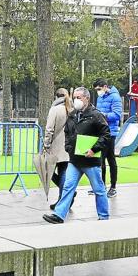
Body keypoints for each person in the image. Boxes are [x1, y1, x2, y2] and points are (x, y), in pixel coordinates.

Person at [43, 87, 110, 224]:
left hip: (90, 161)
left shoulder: (96, 115)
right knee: (68, 186)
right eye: (74, 97)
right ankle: (59, 214)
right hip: (75, 159)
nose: (76, 100)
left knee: (98, 189)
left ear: (87, 98)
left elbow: (106, 134)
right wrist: (68, 147)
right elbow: (68, 132)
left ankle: (103, 216)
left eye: (79, 97)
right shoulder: (73, 114)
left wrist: (94, 149)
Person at [43, 88, 74, 210]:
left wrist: (46, 144)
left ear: (56, 97)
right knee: (63, 172)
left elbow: (49, 129)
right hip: (68, 146)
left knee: (47, 171)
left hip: (56, 146)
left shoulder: (55, 109)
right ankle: (66, 196)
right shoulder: (71, 109)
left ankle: (64, 197)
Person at [93, 78, 122, 198]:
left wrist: (103, 115)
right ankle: (101, 186)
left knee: (110, 159)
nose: (98, 92)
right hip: (101, 131)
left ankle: (113, 187)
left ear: (105, 87)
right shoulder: (100, 98)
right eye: (96, 90)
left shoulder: (115, 97)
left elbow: (117, 115)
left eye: (99, 89)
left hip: (110, 132)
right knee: (101, 160)